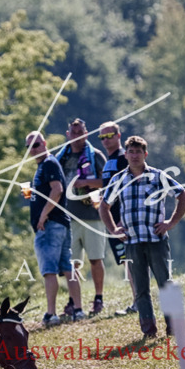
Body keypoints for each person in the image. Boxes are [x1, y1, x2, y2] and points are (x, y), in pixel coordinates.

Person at [99, 136, 185, 339]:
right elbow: (104, 206)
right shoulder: (118, 179)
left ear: (145, 154)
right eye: (131, 152)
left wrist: (171, 222)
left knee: (165, 284)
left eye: (138, 152)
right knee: (140, 289)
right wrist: (113, 229)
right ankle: (148, 331)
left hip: (156, 240)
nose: (134, 156)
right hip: (131, 242)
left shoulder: (158, 176)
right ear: (126, 154)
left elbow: (184, 196)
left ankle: (173, 327)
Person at [25, 131, 84, 326]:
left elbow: (57, 190)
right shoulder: (44, 165)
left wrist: (43, 215)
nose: (33, 150)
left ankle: (51, 313)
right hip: (60, 223)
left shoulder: (49, 163)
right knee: (68, 268)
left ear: (44, 143)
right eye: (29, 147)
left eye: (36, 144)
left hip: (50, 225)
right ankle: (78, 310)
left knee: (49, 270)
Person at [56, 118, 108, 316]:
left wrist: (85, 182)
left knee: (96, 259)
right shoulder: (60, 158)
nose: (77, 135)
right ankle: (73, 300)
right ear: (67, 134)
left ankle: (98, 298)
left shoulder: (95, 156)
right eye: (73, 132)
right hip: (68, 217)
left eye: (80, 132)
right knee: (71, 263)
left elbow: (108, 181)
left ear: (86, 133)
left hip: (92, 215)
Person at [97, 121, 138, 316]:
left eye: (109, 136)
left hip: (123, 220)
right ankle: (137, 300)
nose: (106, 140)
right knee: (127, 261)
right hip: (113, 222)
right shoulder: (109, 159)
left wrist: (123, 218)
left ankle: (139, 302)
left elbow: (129, 188)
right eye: (102, 137)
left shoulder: (123, 158)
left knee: (132, 259)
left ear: (118, 135)